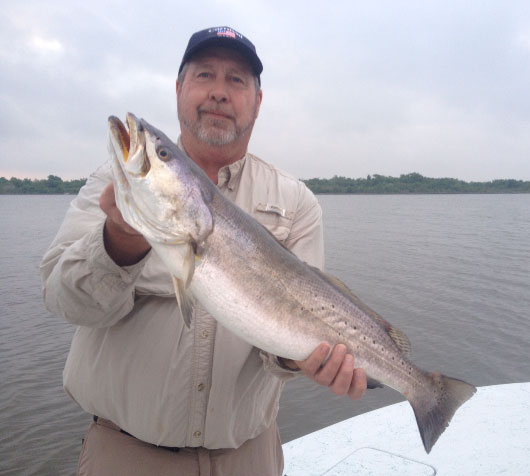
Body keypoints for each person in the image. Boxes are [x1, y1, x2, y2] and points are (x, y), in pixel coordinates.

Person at [41, 26, 367, 476]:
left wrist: (303, 358)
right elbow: (63, 300)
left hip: (250, 459)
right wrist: (121, 241)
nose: (218, 92)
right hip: (124, 456)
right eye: (204, 75)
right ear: (179, 90)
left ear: (257, 100)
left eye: (236, 80)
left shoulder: (297, 204)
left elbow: (286, 344)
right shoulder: (112, 186)